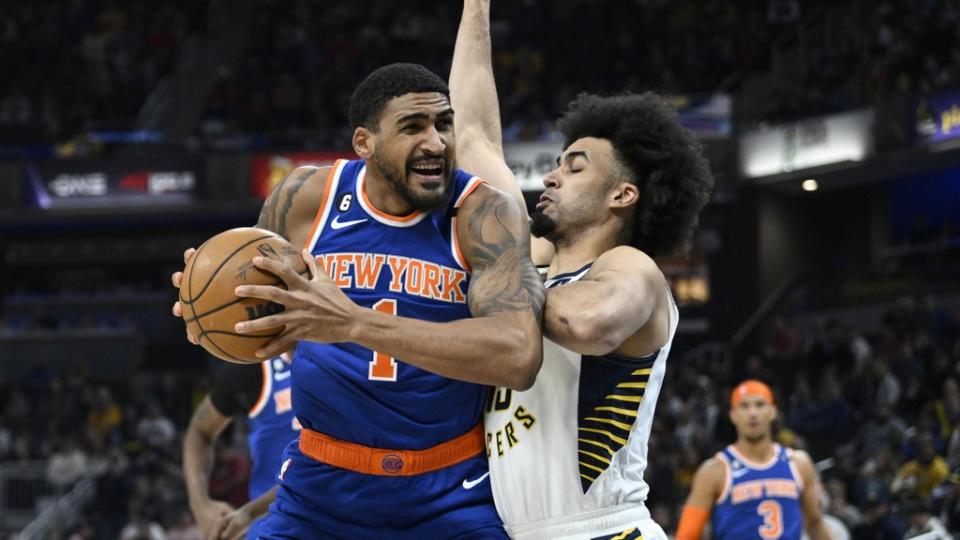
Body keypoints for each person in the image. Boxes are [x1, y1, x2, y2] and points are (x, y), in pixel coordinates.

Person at [172, 62, 544, 538]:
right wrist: (206, 313)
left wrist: (353, 323)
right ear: (364, 142)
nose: (436, 143)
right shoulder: (305, 199)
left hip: (448, 491)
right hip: (318, 490)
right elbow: (263, 312)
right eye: (413, 127)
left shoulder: (484, 213)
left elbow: (518, 355)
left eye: (444, 124)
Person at [449, 1, 713, 538]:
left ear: (622, 194)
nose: (550, 177)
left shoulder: (632, 268)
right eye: (555, 163)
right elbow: (473, 134)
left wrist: (496, 274)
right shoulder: (528, 265)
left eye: (574, 166)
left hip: (602, 530)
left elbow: (586, 324)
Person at [677, 380, 833, 540]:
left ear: (772, 411)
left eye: (759, 405)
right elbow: (687, 535)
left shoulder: (799, 464)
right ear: (733, 415)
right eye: (744, 406)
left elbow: (815, 525)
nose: (753, 413)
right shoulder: (714, 470)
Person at [183, 354, 298, 539]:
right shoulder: (254, 369)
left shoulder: (350, 356)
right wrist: (200, 505)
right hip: (271, 527)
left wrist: (249, 513)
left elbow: (315, 469)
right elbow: (200, 429)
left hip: (344, 518)